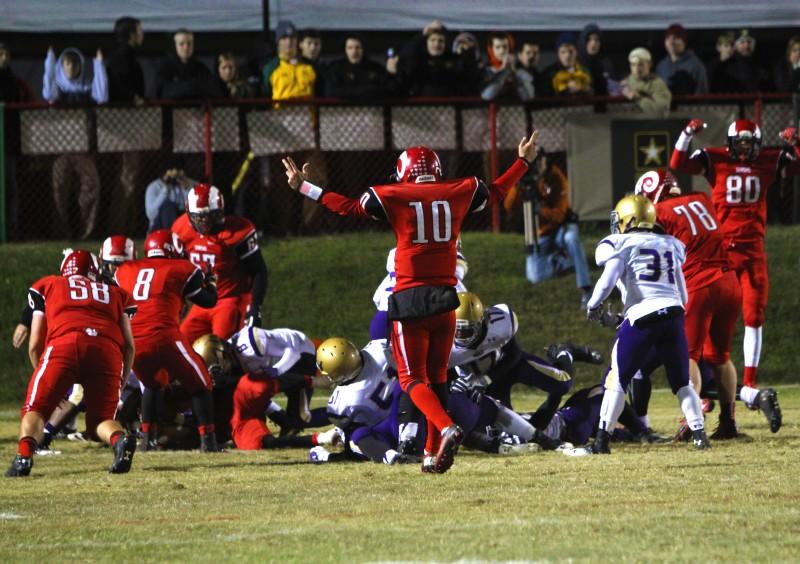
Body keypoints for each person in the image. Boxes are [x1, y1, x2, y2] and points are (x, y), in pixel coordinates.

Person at [282, 131, 539, 473]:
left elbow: (347, 208)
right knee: (438, 378)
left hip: (410, 299)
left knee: (411, 379)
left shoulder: (393, 194)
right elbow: (497, 192)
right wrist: (522, 162)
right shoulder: (460, 190)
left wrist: (304, 187)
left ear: (404, 172)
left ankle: (445, 428)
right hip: (447, 298)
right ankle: (432, 453)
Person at [670, 118, 800, 389]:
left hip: (752, 253)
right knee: (705, 318)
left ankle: (749, 384)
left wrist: (796, 143)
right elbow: (677, 164)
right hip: (720, 255)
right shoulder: (714, 159)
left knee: (754, 317)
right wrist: (686, 134)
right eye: (739, 143)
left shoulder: (768, 161)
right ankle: (706, 389)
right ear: (729, 143)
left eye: (749, 143)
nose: (744, 149)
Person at [585, 194, 710, 454]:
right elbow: (683, 293)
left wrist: (593, 305)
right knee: (682, 382)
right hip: (674, 315)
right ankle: (700, 435)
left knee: (616, 380)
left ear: (629, 220)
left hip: (643, 317)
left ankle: (601, 440)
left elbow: (607, 281)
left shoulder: (622, 243)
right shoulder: (670, 244)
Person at [6, 251, 137, 477]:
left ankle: (24, 458)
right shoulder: (115, 293)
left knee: (35, 409)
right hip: (107, 351)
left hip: (65, 345)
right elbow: (129, 345)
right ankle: (120, 439)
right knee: (101, 420)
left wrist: (43, 373)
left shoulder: (49, 285)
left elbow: (35, 342)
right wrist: (122, 378)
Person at [633, 170, 742, 438]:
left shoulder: (659, 211)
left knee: (689, 356)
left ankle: (691, 421)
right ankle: (728, 422)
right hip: (729, 281)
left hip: (699, 285)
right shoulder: (702, 199)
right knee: (721, 357)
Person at [115, 229, 222, 451]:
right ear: (174, 250)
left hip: (132, 341)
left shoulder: (126, 270)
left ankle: (147, 440)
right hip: (163, 335)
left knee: (152, 384)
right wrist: (211, 282)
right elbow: (208, 301)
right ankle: (209, 441)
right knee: (201, 382)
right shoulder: (181, 268)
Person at [449, 291, 602, 430]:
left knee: (562, 383)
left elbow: (514, 353)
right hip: (480, 382)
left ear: (482, 322)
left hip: (508, 365)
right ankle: (540, 430)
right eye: (457, 330)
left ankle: (565, 352)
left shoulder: (499, 324)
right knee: (501, 428)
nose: (461, 336)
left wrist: (485, 379)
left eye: (467, 330)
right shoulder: (446, 345)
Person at [192, 331, 334, 451]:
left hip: (300, 358)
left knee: (300, 418)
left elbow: (270, 378)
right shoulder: (231, 377)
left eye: (215, 365)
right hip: (261, 389)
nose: (215, 372)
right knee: (286, 424)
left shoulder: (248, 346)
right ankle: (289, 420)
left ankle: (345, 412)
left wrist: (313, 381)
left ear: (222, 353)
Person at [172, 183, 268, 343]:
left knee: (222, 351)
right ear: (189, 214)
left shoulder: (237, 232)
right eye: (199, 217)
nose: (204, 222)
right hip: (202, 300)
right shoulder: (181, 229)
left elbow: (258, 271)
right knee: (180, 345)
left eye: (209, 216)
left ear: (220, 212)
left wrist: (255, 308)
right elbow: (178, 269)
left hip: (230, 300)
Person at [44, 46, 106, 240]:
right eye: (66, 63)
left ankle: (86, 232)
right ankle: (61, 232)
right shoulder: (58, 91)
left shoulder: (87, 89)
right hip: (60, 148)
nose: (71, 68)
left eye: (75, 63)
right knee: (59, 188)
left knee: (91, 185)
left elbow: (102, 96)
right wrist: (50, 62)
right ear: (61, 66)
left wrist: (98, 64)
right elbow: (48, 93)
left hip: (83, 149)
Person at [523, 149, 592, 306]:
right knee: (534, 276)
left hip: (563, 228)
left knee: (572, 238)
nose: (538, 164)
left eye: (540, 160)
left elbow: (560, 215)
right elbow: (508, 207)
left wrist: (541, 210)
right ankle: (562, 261)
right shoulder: (529, 179)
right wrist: (517, 187)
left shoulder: (556, 177)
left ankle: (586, 289)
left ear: (545, 160)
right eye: (534, 161)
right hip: (542, 234)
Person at [394, 20, 479, 97]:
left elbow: (469, 75)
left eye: (441, 41)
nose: (436, 44)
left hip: (449, 108)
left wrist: (468, 53)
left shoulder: (454, 61)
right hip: (422, 108)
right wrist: (422, 35)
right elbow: (406, 56)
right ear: (425, 42)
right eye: (432, 40)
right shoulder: (419, 60)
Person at [154, 28, 221, 99]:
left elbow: (214, 91)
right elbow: (163, 93)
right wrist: (194, 86)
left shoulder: (201, 68)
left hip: (197, 109)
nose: (186, 47)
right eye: (181, 44)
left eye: (189, 43)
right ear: (175, 45)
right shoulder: (165, 68)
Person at [324, 35, 396, 100]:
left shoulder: (375, 67)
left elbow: (390, 89)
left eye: (358, 48)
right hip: (342, 111)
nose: (354, 52)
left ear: (363, 49)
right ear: (345, 50)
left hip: (372, 110)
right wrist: (365, 91)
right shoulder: (336, 67)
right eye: (350, 48)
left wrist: (392, 74)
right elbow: (331, 92)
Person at [262, 20, 316, 101]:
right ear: (278, 42)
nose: (289, 42)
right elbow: (265, 95)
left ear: (297, 41)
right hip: (281, 111)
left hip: (307, 110)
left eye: (292, 37)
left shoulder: (310, 66)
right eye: (284, 38)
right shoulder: (271, 68)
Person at [144, 159, 198, 232]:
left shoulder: (190, 183)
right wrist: (165, 189)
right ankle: (172, 236)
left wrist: (186, 188)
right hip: (161, 228)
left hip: (183, 224)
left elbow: (197, 206)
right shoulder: (154, 187)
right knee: (167, 206)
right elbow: (151, 214)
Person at [655, 23, 708, 95]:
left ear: (684, 42)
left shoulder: (696, 65)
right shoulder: (661, 66)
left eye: (675, 38)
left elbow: (702, 92)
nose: (671, 42)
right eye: (668, 38)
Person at [480, 31, 534, 102]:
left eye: (505, 47)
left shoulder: (520, 72)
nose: (502, 51)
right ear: (491, 49)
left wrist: (514, 73)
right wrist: (504, 71)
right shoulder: (486, 71)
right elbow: (487, 96)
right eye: (497, 47)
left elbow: (528, 97)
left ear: (510, 48)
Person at [620, 47, 672, 117]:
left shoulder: (657, 84)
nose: (637, 69)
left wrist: (639, 98)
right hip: (625, 125)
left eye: (640, 64)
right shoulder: (624, 84)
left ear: (649, 64)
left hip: (651, 126)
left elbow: (662, 113)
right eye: (633, 65)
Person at [106, 16, 145, 104]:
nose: (142, 34)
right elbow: (117, 87)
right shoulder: (122, 58)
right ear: (132, 35)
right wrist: (134, 98)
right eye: (140, 30)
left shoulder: (127, 56)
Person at [577, 23, 614, 96]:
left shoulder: (606, 63)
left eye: (596, 40)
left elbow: (613, 87)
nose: (593, 43)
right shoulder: (575, 63)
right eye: (588, 40)